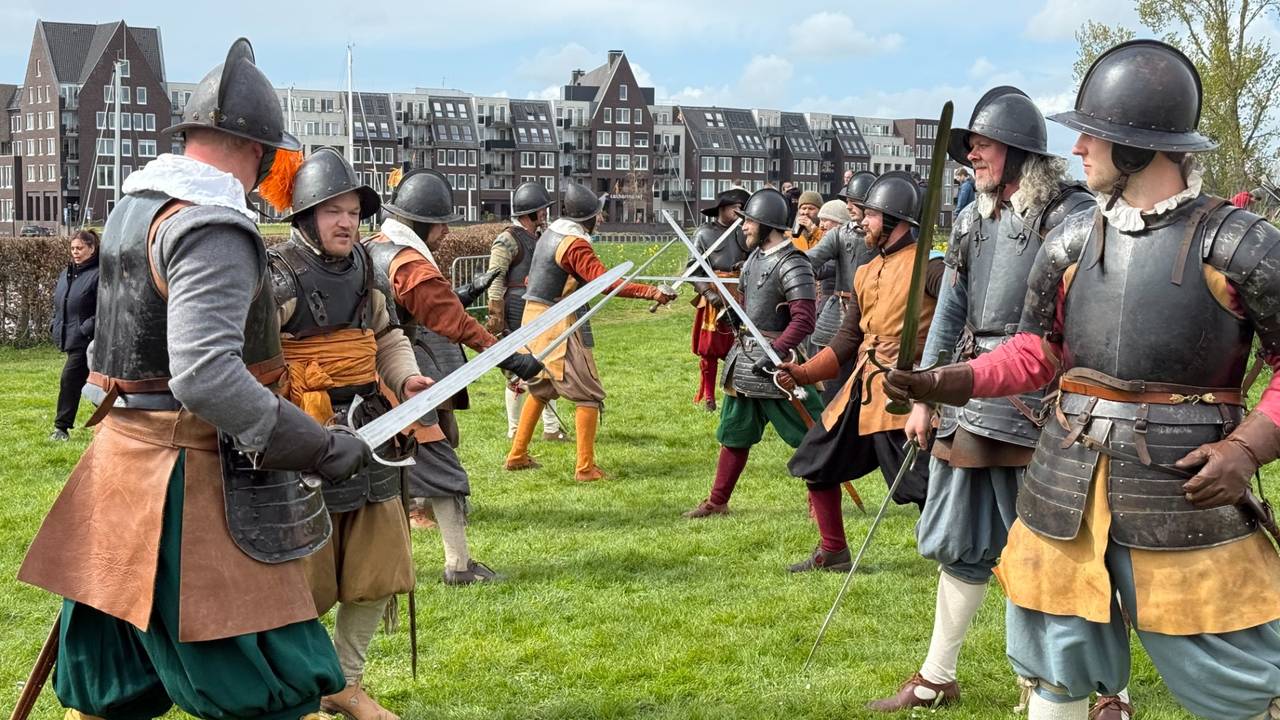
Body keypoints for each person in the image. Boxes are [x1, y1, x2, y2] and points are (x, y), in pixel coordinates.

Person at [885, 40, 1280, 720]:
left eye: (1092, 136)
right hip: (1063, 483)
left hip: (1184, 488)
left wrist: (1245, 450)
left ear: (1135, 148)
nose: (1077, 152)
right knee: (1054, 669)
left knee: (1238, 678)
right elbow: (1039, 354)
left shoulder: (1240, 243)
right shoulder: (1070, 246)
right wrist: (950, 381)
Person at [18, 39, 360, 720]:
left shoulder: (131, 212)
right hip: (193, 478)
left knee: (107, 686)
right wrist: (318, 447)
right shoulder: (210, 226)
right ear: (259, 152)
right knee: (265, 683)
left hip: (120, 467)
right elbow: (205, 375)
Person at [862, 87, 1112, 714]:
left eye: (983, 143)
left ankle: (1109, 692)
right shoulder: (973, 217)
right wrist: (926, 397)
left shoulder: (1071, 214)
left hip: (1046, 399)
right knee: (961, 539)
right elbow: (951, 308)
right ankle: (937, 674)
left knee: (1064, 552)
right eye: (968, 144)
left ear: (1022, 151)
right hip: (971, 396)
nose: (970, 153)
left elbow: (1093, 318)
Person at [260, 147, 430, 720]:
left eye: (354, 211)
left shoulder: (367, 267)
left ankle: (345, 682)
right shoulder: (276, 276)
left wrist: (405, 382)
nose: (345, 222)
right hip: (299, 441)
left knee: (379, 568)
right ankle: (304, 691)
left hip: (370, 434)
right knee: (300, 583)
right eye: (332, 210)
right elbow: (250, 364)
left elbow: (385, 335)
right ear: (305, 217)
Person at [366, 168, 543, 581]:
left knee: (394, 467)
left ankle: (391, 561)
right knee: (442, 468)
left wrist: (462, 295)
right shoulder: (410, 263)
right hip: (404, 376)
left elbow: (413, 305)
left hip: (375, 372)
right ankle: (458, 566)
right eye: (440, 222)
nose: (446, 231)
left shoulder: (376, 246)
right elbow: (456, 324)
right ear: (420, 222)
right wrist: (511, 358)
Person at [774, 171, 939, 569]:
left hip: (904, 393)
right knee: (814, 460)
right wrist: (803, 373)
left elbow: (957, 323)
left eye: (871, 214)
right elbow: (847, 341)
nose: (862, 221)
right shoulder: (865, 272)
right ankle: (833, 551)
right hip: (861, 389)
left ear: (896, 221)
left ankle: (961, 558)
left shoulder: (932, 270)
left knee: (923, 487)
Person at [505, 183, 675, 481]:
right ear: (588, 217)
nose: (600, 219)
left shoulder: (551, 233)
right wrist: (651, 292)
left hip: (535, 318)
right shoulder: (574, 244)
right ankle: (585, 468)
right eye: (597, 214)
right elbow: (605, 282)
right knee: (589, 393)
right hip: (553, 321)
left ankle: (517, 455)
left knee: (542, 388)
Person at [683, 187, 824, 518]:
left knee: (813, 438)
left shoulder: (794, 263)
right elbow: (748, 307)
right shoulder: (753, 262)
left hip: (780, 365)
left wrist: (774, 352)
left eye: (748, 222)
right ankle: (718, 501)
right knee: (734, 433)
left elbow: (804, 321)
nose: (742, 227)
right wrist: (732, 311)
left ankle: (820, 506)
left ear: (767, 224)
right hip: (745, 360)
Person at [486, 181, 568, 441]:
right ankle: (514, 431)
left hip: (541, 309)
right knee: (517, 373)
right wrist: (496, 312)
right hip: (515, 311)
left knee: (546, 367)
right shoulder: (507, 239)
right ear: (528, 213)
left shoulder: (542, 239)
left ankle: (551, 429)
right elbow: (495, 277)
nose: (544, 214)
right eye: (541, 210)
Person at [807, 173, 877, 402]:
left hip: (876, 313)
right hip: (840, 314)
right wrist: (786, 262)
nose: (849, 206)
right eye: (848, 201)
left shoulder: (884, 234)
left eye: (853, 201)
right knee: (832, 389)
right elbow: (810, 260)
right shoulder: (839, 234)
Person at [688, 187, 751, 411]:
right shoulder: (704, 233)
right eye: (737, 208)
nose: (741, 213)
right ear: (723, 209)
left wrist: (746, 265)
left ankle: (739, 392)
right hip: (714, 295)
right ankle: (708, 397)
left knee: (743, 345)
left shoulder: (747, 232)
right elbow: (692, 270)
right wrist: (708, 293)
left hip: (740, 293)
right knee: (710, 350)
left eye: (743, 209)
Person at [49, 229, 100, 441]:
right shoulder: (67, 273)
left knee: (70, 379)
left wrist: (85, 329)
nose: (75, 252)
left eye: (80, 248)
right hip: (71, 337)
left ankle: (61, 428)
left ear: (92, 248)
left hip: (88, 341)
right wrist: (54, 324)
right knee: (95, 383)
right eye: (72, 248)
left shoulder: (99, 274)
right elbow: (61, 303)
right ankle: (114, 420)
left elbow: (105, 309)